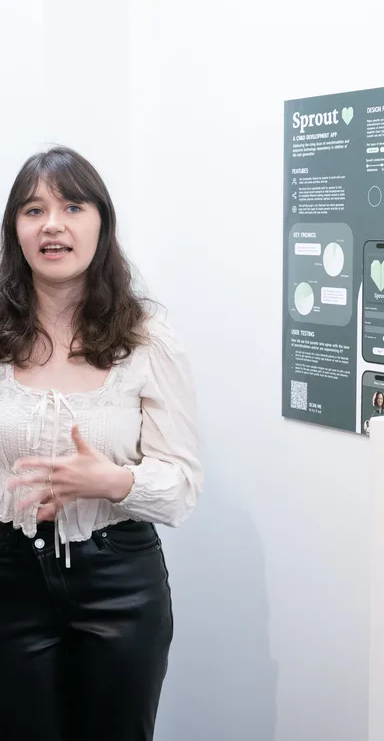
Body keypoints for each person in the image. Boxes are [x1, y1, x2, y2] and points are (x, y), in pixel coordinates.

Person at [0, 147, 203, 741]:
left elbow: (183, 487)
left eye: (72, 205)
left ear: (101, 222)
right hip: (10, 579)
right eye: (33, 209)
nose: (53, 224)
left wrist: (110, 480)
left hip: (120, 583)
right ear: (16, 230)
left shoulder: (147, 337)